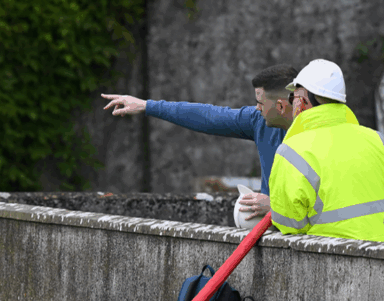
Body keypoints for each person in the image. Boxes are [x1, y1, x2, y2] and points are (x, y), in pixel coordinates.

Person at [101, 64, 298, 221]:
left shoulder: (320, 134)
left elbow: (322, 202)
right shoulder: (259, 121)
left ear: (280, 106)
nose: (256, 108)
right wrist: (147, 106)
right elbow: (209, 116)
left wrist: (274, 206)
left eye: (261, 104)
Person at [269, 59, 384, 244]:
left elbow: (289, 225)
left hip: (330, 262)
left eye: (292, 98)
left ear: (302, 102)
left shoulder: (291, 151)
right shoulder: (379, 141)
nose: (291, 105)